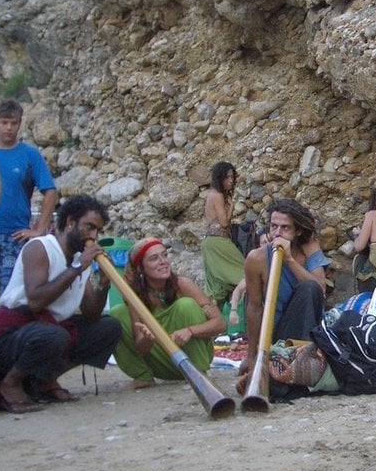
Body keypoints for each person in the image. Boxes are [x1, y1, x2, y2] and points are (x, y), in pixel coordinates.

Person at [0, 194, 121, 414]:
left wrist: (103, 284)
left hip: (49, 333)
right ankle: (10, 383)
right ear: (70, 222)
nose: (93, 236)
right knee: (54, 335)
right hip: (11, 338)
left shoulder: (78, 259)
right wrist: (77, 268)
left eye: (97, 231)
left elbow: (91, 315)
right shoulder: (41, 247)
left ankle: (45, 380)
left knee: (108, 328)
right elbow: (36, 302)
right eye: (88, 227)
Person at [236, 199, 329, 392]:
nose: (277, 233)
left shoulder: (309, 249)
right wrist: (252, 356)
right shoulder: (257, 258)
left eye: (285, 228)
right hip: (278, 334)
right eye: (273, 227)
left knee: (308, 289)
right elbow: (254, 308)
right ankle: (275, 371)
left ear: (298, 231)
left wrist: (289, 260)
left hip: (310, 331)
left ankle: (299, 367)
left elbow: (319, 289)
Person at [110, 237, 225, 389]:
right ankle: (143, 377)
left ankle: (199, 373)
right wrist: (146, 340)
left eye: (164, 255)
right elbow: (141, 347)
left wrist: (190, 331)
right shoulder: (135, 295)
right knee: (116, 314)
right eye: (154, 258)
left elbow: (220, 324)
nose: (163, 261)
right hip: (161, 360)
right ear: (140, 268)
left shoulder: (183, 285)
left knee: (186, 305)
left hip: (189, 355)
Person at [0, 98, 59, 299]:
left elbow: (50, 191)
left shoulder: (29, 155)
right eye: (4, 122)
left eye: (13, 123)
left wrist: (39, 229)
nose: (8, 128)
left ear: (20, 124)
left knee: (10, 297)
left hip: (14, 237)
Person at [200, 161, 246, 313]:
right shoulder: (218, 195)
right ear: (220, 178)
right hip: (218, 242)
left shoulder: (212, 194)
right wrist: (231, 208)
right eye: (227, 177)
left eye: (232, 177)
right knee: (246, 271)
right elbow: (224, 223)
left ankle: (214, 324)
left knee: (217, 288)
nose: (231, 181)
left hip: (211, 242)